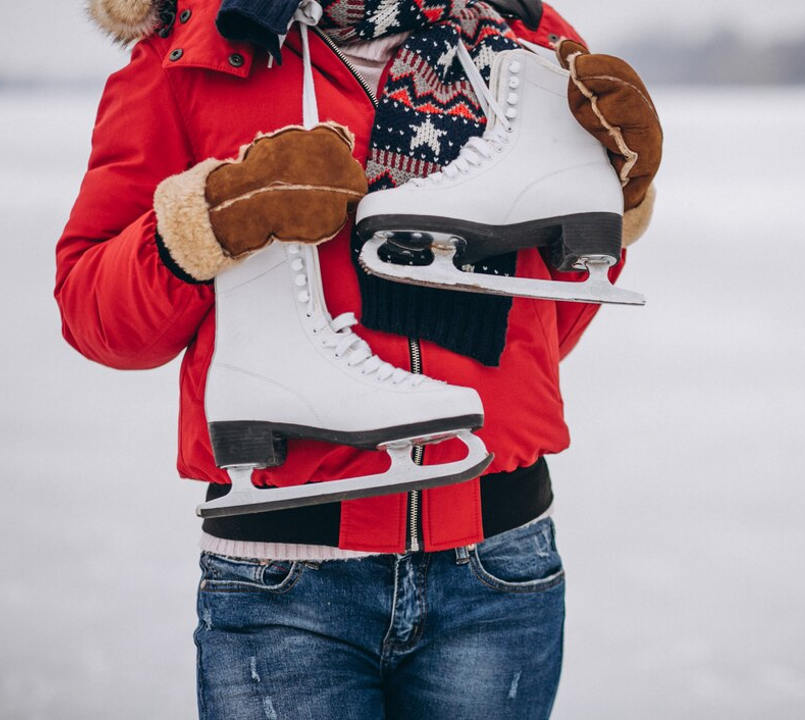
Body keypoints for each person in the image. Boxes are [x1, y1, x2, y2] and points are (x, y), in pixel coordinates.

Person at [56, 0, 661, 717]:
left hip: (498, 567)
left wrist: (610, 202)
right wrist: (208, 221)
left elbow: (545, 329)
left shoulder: (528, 44)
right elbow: (95, 312)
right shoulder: (192, 55)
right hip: (284, 577)